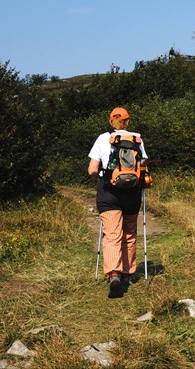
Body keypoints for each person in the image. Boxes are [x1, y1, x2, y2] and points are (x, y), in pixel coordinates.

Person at [88, 107, 148, 298]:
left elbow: (91, 170)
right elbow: (143, 165)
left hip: (109, 194)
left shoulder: (102, 139)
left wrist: (104, 176)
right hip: (132, 193)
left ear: (110, 121)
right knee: (129, 233)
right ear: (127, 121)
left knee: (112, 234)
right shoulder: (137, 139)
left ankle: (114, 273)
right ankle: (127, 274)